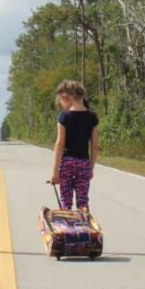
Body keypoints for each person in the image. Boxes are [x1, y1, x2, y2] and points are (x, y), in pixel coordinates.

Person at [50, 80, 99, 211]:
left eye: (61, 101)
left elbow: (60, 144)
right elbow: (94, 146)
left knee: (66, 199)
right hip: (83, 162)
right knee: (83, 200)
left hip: (66, 163)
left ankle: (67, 227)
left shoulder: (64, 117)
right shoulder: (92, 117)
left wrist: (55, 172)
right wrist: (91, 168)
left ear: (66, 98)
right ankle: (84, 226)